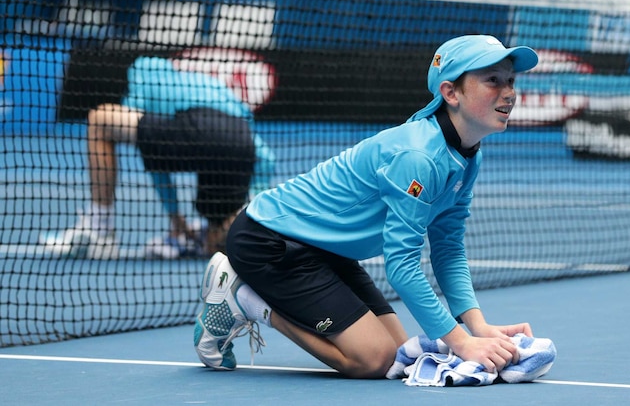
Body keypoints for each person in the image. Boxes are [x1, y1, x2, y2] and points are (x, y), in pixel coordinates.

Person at [193, 34, 539, 378]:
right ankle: (246, 298)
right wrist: (461, 343)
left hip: (327, 250)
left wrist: (477, 327)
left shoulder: (467, 156)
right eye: (493, 80)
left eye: (510, 80)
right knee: (372, 360)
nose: (509, 92)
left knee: (396, 355)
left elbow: (447, 248)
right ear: (451, 93)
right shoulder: (418, 157)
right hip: (269, 241)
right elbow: (401, 264)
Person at [40, 56, 276, 259]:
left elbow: (152, 151)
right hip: (239, 142)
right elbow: (265, 157)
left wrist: (174, 215)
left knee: (101, 121)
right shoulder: (211, 87)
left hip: (200, 129)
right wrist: (255, 203)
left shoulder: (144, 71)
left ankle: (99, 231)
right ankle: (229, 232)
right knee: (217, 233)